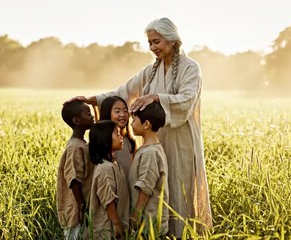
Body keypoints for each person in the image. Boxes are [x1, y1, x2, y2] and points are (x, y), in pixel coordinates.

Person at [66, 17, 212, 237]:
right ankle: (154, 231)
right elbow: (124, 91)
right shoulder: (150, 71)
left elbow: (187, 100)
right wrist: (93, 99)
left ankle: (180, 233)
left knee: (178, 186)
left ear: (172, 40)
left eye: (157, 42)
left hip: (181, 140)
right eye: (150, 43)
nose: (153, 47)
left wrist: (156, 97)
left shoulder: (191, 68)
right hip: (155, 137)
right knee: (154, 185)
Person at [128, 102, 169, 237]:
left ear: (146, 124)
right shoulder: (150, 148)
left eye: (133, 120)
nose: (131, 124)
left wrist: (135, 215)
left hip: (149, 223)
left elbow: (146, 186)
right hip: (148, 222)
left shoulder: (150, 153)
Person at [56, 100, 95, 239]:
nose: (92, 117)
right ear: (77, 121)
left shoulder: (81, 143)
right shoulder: (75, 147)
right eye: (88, 113)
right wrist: (81, 206)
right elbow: (73, 178)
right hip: (75, 212)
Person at [88, 120, 130, 239]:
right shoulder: (105, 168)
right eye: (117, 134)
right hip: (107, 231)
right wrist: (117, 224)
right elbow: (108, 200)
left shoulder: (113, 163)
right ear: (105, 139)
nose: (121, 136)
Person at [99, 96, 136, 180]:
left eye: (125, 111)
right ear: (107, 114)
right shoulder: (104, 143)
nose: (123, 115)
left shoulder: (128, 141)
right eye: (117, 111)